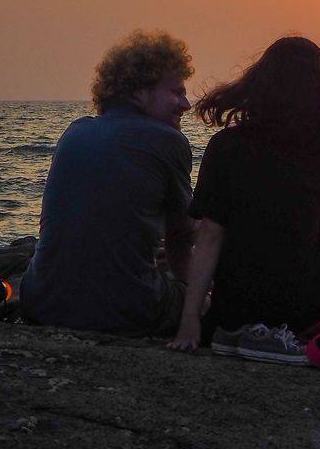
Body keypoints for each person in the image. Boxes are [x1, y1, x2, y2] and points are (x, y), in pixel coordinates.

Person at [168, 36, 320, 364]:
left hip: (234, 310)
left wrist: (190, 319)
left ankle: (242, 330)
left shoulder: (226, 146)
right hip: (303, 313)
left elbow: (210, 235)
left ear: (260, 83)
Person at [18, 30, 195, 335]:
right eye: (177, 93)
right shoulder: (169, 141)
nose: (186, 104)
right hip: (126, 313)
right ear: (139, 92)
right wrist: (193, 295)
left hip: (40, 302)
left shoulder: (75, 131)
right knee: (202, 301)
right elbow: (181, 237)